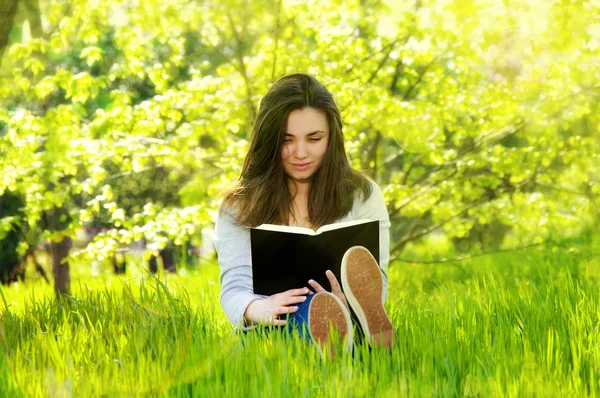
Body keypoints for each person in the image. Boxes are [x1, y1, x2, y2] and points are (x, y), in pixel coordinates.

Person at [212, 73, 393, 356]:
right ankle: (356, 344)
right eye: (286, 140)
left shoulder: (362, 194)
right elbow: (233, 289)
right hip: (270, 324)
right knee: (305, 311)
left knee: (328, 306)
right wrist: (260, 308)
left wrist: (348, 300)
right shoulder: (239, 204)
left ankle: (349, 322)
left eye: (314, 138)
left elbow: (376, 278)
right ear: (269, 141)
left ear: (332, 137)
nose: (300, 152)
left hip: (347, 310)